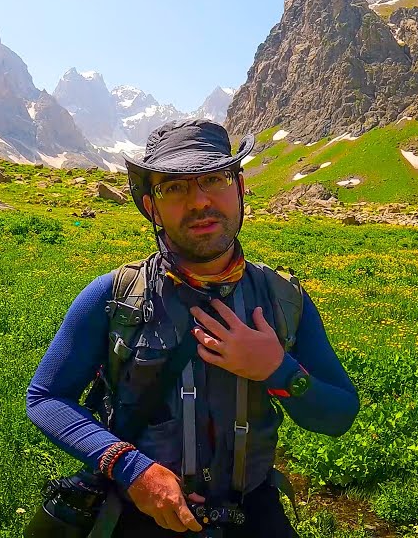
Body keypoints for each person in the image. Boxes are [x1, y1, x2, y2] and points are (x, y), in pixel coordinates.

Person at [27, 119, 359, 537]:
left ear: (240, 187)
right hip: (139, 512)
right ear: (152, 207)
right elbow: (45, 397)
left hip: (250, 513)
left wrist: (277, 370)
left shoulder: (283, 298)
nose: (200, 200)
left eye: (214, 178)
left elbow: (339, 415)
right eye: (175, 187)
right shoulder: (114, 295)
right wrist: (131, 468)